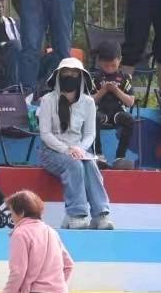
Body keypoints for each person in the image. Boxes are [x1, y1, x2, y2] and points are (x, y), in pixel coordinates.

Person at [40, 57, 113, 229]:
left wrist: (78, 149)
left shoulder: (88, 102)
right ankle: (76, 215)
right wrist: (67, 150)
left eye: (74, 74)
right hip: (51, 151)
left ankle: (101, 215)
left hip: (79, 151)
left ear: (81, 77)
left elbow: (90, 134)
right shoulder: (47, 100)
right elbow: (45, 134)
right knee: (75, 165)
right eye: (66, 73)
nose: (70, 76)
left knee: (91, 165)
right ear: (58, 76)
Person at [0, 190, 75, 293]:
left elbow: (18, 272)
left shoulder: (20, 233)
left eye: (12, 213)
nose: (12, 217)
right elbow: (69, 265)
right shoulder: (51, 232)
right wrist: (56, 284)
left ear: (21, 213)